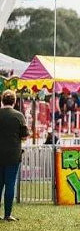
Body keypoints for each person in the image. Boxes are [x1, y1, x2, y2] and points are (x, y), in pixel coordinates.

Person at [0, 90, 29, 221]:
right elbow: (24, 136)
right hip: (13, 155)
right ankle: (7, 214)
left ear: (2, 100)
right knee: (10, 184)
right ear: (14, 101)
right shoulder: (19, 116)